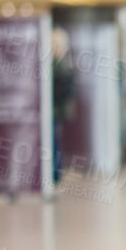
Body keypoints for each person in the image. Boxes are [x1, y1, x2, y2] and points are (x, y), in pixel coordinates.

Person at [50, 27, 77, 182]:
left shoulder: (64, 65)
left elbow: (64, 90)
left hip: (56, 110)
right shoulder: (54, 63)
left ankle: (55, 175)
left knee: (54, 142)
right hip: (54, 110)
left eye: (55, 43)